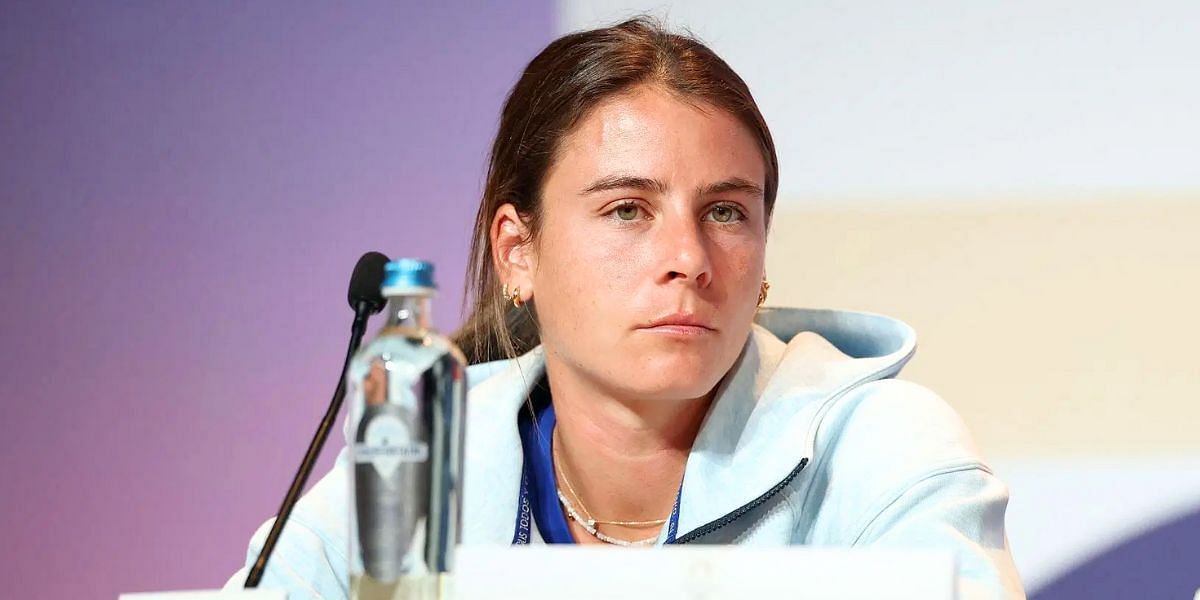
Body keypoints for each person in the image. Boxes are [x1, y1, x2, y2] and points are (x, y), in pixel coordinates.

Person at [227, 17, 1024, 599]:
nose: (688, 258)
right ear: (518, 252)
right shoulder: (427, 442)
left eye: (725, 212)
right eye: (627, 210)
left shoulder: (879, 447)